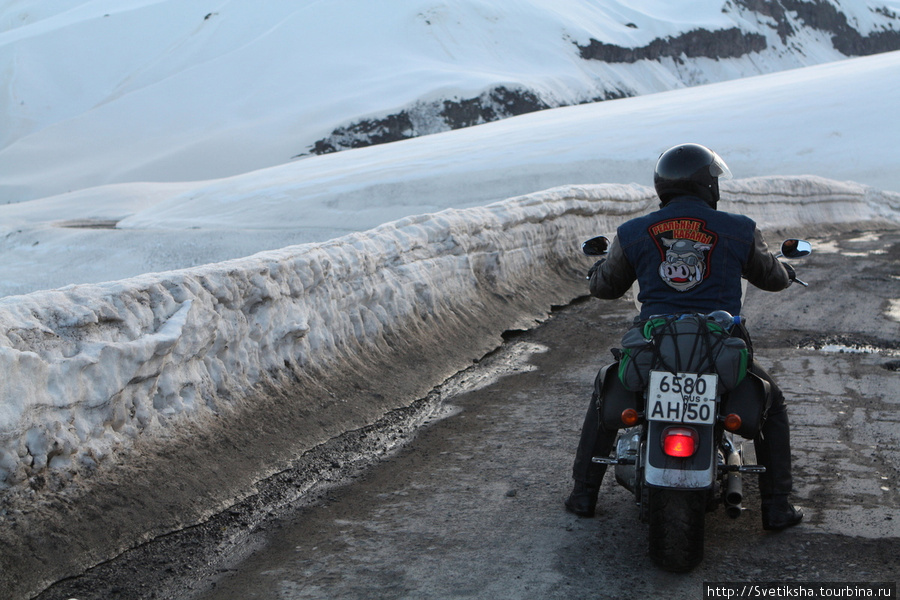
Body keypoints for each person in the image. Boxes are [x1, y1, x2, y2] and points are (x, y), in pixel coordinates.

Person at [565, 143, 803, 531]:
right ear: (708, 185)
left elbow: (605, 287)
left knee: (606, 387)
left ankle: (582, 495)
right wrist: (786, 270)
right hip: (719, 346)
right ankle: (776, 506)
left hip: (655, 347)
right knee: (770, 402)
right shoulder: (740, 229)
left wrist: (595, 273)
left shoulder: (633, 232)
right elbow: (772, 278)